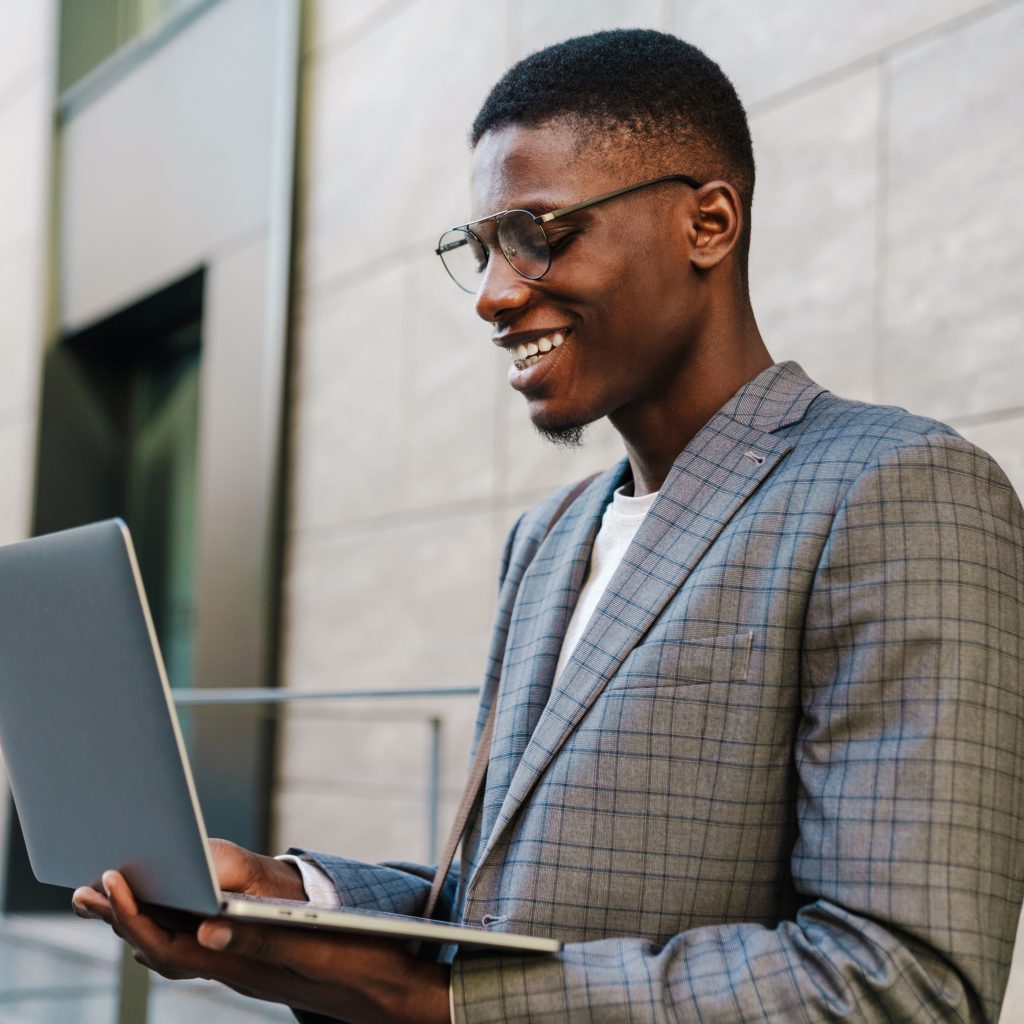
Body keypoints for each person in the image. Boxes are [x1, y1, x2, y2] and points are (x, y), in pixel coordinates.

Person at [73, 29, 1024, 1024]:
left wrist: (438, 1001)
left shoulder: (895, 490)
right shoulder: (549, 538)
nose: (492, 295)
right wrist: (289, 901)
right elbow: (499, 909)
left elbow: (899, 985)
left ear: (706, 223)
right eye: (481, 250)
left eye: (536, 233)